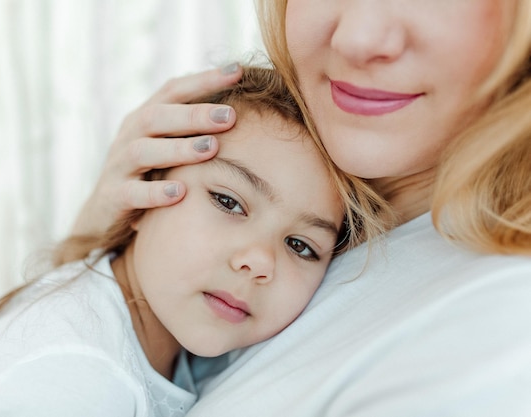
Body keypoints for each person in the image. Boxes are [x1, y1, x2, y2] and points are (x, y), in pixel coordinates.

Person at [68, 1, 531, 416]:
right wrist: (97, 256)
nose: (356, 38)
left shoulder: (499, 335)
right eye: (228, 201)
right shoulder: (276, 150)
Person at [0, 66, 380, 416]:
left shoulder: (185, 349)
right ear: (140, 194)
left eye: (300, 245)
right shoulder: (74, 377)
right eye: (227, 201)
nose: (259, 261)